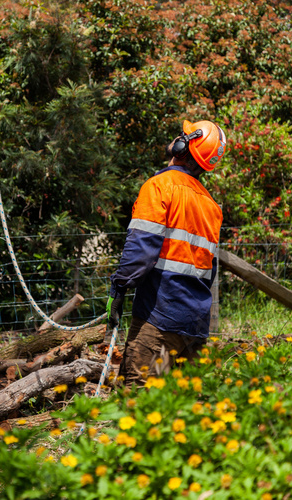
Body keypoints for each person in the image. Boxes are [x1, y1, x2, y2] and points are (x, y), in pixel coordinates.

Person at [106, 119, 226, 386]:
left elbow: (141, 250)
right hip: (195, 324)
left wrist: (119, 290)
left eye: (181, 135)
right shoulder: (210, 205)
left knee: (137, 401)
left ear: (184, 146)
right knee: (182, 411)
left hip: (159, 318)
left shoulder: (160, 187)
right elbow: (209, 270)